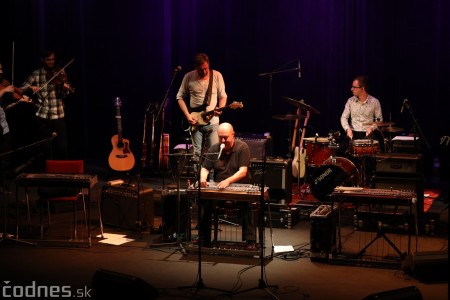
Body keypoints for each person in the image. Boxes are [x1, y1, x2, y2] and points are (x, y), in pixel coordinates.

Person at [198, 122, 256, 250]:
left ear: (233, 135)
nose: (223, 140)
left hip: (238, 187)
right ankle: (204, 238)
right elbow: (205, 168)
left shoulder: (242, 147)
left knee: (246, 204)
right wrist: (203, 178)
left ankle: (250, 240)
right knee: (204, 202)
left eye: (226, 137)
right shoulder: (214, 149)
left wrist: (228, 181)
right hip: (218, 188)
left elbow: (243, 171)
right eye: (220, 137)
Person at [21, 50, 74, 166]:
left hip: (58, 113)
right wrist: (31, 87)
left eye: (53, 59)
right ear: (42, 60)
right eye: (48, 60)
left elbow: (64, 96)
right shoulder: (36, 74)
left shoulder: (60, 72)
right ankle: (47, 172)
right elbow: (22, 88)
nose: (51, 62)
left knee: (63, 146)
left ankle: (65, 172)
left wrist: (64, 87)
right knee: (45, 147)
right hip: (42, 114)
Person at [176, 53, 227, 164]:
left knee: (213, 153)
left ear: (208, 64)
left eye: (206, 68)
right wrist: (188, 115)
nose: (204, 72)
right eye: (200, 70)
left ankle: (212, 180)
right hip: (195, 122)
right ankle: (198, 180)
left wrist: (221, 108)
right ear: (195, 68)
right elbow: (179, 97)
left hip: (212, 121)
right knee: (197, 155)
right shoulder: (188, 77)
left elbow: (223, 96)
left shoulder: (217, 76)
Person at [340, 75, 383, 186]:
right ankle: (348, 177)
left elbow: (379, 120)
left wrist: (372, 127)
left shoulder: (375, 102)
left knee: (372, 145)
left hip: (367, 132)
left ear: (362, 89)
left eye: (354, 87)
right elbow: (343, 117)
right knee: (343, 144)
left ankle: (369, 178)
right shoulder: (350, 101)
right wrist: (347, 129)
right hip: (353, 132)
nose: (352, 89)